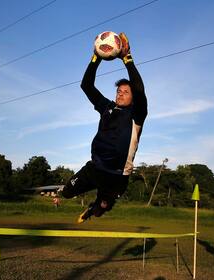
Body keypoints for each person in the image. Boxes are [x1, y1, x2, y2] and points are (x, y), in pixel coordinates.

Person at [61, 33, 147, 224]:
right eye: (119, 91)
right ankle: (92, 204)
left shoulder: (137, 115)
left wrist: (127, 58)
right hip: (95, 168)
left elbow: (140, 91)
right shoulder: (107, 107)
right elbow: (86, 85)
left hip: (117, 176)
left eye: (126, 92)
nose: (120, 94)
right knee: (66, 193)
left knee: (103, 207)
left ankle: (94, 208)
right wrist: (95, 58)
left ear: (133, 97)